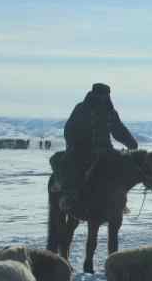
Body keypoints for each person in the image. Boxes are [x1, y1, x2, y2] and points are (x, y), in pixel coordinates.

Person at [51, 83, 138, 212]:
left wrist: (131, 143)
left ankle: (120, 200)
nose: (103, 98)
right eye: (101, 95)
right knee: (72, 168)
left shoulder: (110, 113)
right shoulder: (81, 109)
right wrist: (73, 145)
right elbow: (70, 128)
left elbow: (119, 130)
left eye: (105, 95)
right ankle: (69, 197)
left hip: (106, 149)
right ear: (93, 94)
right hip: (83, 148)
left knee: (121, 168)